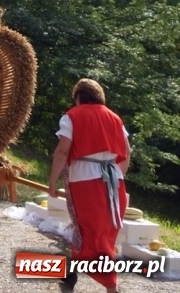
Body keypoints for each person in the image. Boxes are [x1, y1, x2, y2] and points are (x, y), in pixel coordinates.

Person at [48, 79, 129, 293]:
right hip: (114, 183)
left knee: (90, 234)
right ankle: (71, 274)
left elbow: (63, 151)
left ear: (79, 97)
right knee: (100, 234)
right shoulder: (115, 118)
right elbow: (127, 153)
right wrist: (117, 177)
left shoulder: (73, 116)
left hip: (85, 183)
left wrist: (52, 181)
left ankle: (111, 287)